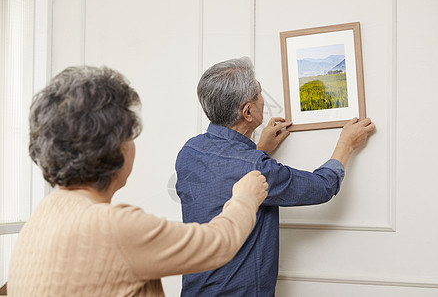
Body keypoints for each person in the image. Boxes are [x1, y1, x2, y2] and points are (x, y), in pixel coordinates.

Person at [7, 66, 269, 297]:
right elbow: (218, 244)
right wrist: (245, 197)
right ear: (116, 148)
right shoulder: (114, 227)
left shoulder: (43, 216)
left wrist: (258, 150)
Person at [175, 57, 376, 296]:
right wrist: (346, 144)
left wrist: (258, 149)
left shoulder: (189, 151)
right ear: (248, 111)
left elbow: (226, 179)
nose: (263, 99)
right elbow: (322, 187)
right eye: (259, 93)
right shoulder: (256, 166)